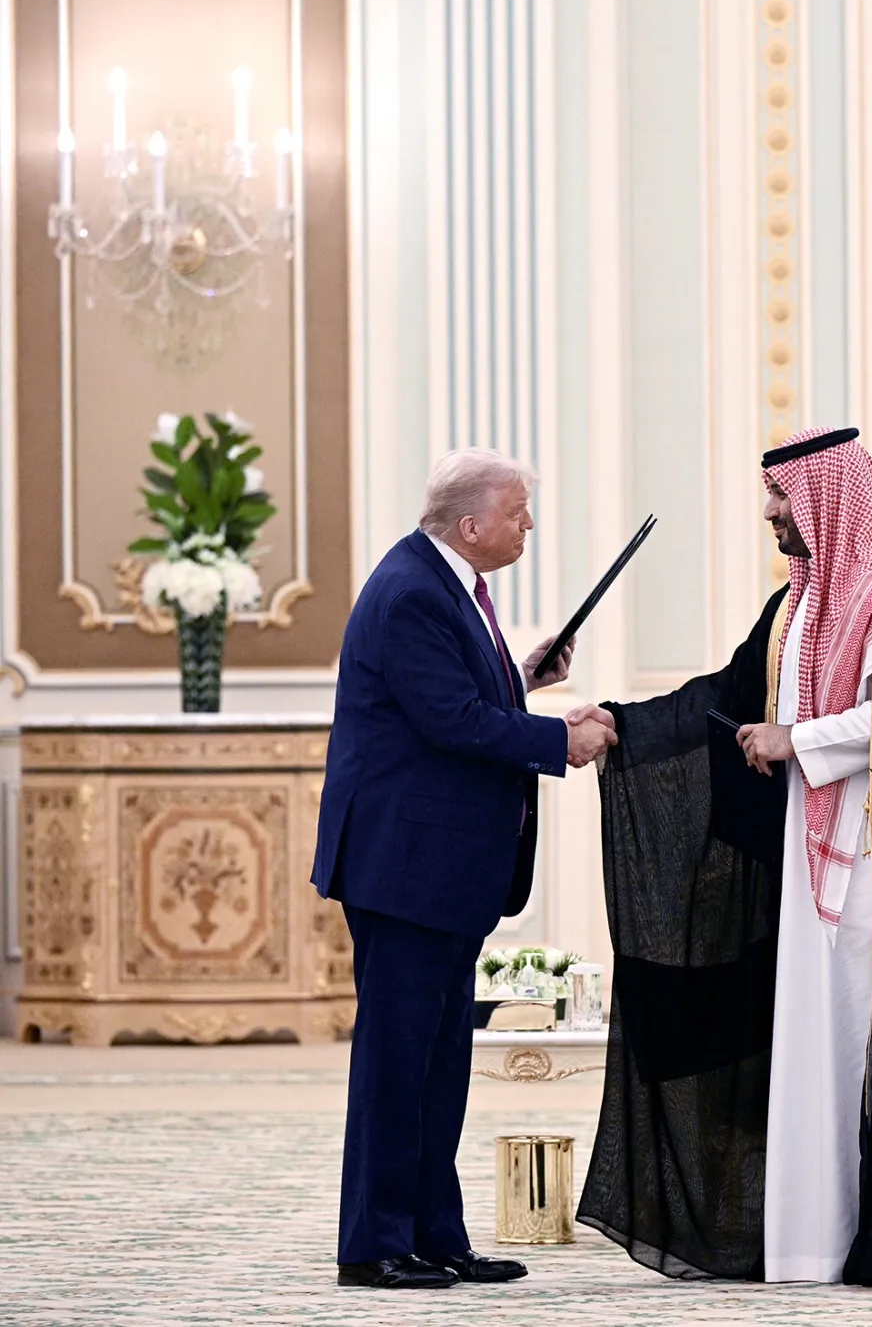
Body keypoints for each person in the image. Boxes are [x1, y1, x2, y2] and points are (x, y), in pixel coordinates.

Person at [573, 426, 872, 1287]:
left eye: (782, 497)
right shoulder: (794, 607)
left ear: (824, 497)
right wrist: (622, 724)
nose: (772, 514)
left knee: (855, 1052)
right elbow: (724, 699)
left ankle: (867, 1235)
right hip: (799, 869)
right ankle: (801, 1245)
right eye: (771, 498)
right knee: (802, 1055)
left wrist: (796, 737)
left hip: (871, 872)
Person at [311, 448, 618, 1290]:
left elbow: (452, 698)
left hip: (434, 867)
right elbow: (449, 720)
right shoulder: (413, 590)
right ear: (472, 524)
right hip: (403, 865)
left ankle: (434, 1235)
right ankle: (374, 1246)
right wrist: (563, 737)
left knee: (439, 1057)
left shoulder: (443, 584)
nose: (528, 526)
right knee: (397, 1058)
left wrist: (524, 678)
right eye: (518, 513)